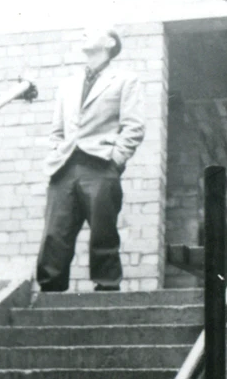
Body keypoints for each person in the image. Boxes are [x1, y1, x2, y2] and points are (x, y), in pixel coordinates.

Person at [35, 28, 147, 291]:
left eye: (93, 31)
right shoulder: (68, 84)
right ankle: (50, 294)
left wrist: (115, 161)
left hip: (100, 166)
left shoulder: (125, 80)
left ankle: (107, 290)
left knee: (103, 233)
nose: (84, 34)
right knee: (54, 235)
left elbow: (134, 127)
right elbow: (57, 131)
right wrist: (56, 153)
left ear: (110, 42)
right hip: (64, 168)